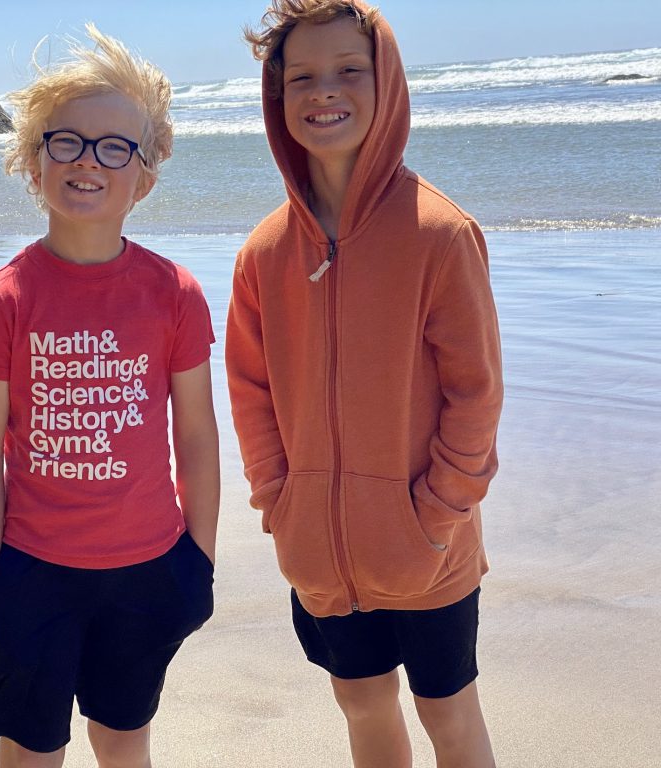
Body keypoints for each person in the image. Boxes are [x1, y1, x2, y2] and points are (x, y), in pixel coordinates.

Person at [226, 2, 503, 766]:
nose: (325, 91)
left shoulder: (441, 234)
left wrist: (435, 516)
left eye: (349, 70)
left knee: (448, 713)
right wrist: (280, 503)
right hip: (317, 549)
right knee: (361, 705)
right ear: (277, 98)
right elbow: (250, 391)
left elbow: (475, 395)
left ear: (388, 82)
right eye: (303, 77)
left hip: (429, 548)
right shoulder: (263, 253)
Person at [0, 24, 219, 768]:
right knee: (33, 747)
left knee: (124, 738)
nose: (88, 159)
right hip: (33, 567)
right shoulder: (2, 299)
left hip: (151, 565)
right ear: (34, 164)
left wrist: (201, 554)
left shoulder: (175, 294)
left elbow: (195, 433)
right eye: (65, 141)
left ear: (145, 176)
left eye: (114, 146)